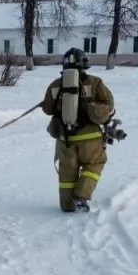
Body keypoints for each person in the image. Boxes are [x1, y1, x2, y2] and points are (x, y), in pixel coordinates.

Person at [42, 48, 115, 213]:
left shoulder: (55, 85)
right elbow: (109, 104)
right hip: (90, 138)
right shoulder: (95, 82)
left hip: (65, 139)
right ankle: (81, 195)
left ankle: (67, 205)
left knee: (67, 173)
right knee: (95, 163)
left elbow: (47, 109)